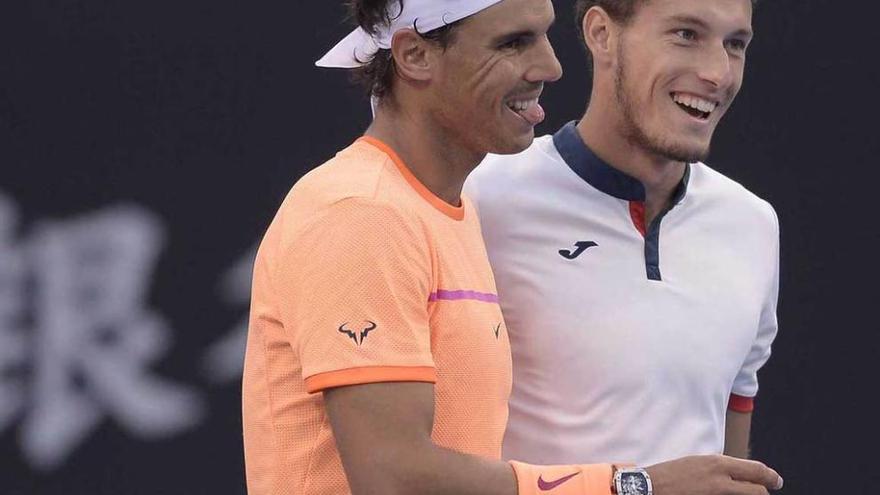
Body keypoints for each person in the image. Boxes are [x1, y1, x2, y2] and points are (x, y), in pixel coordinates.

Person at [242, 0, 783, 494]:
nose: (551, 66)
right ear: (414, 54)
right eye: (513, 42)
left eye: (737, 44)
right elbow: (392, 477)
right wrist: (634, 487)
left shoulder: (446, 210)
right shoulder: (363, 211)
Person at [466, 0, 780, 471]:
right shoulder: (481, 197)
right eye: (686, 35)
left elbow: (734, 417)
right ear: (602, 34)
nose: (719, 73)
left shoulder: (754, 222)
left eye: (735, 44)